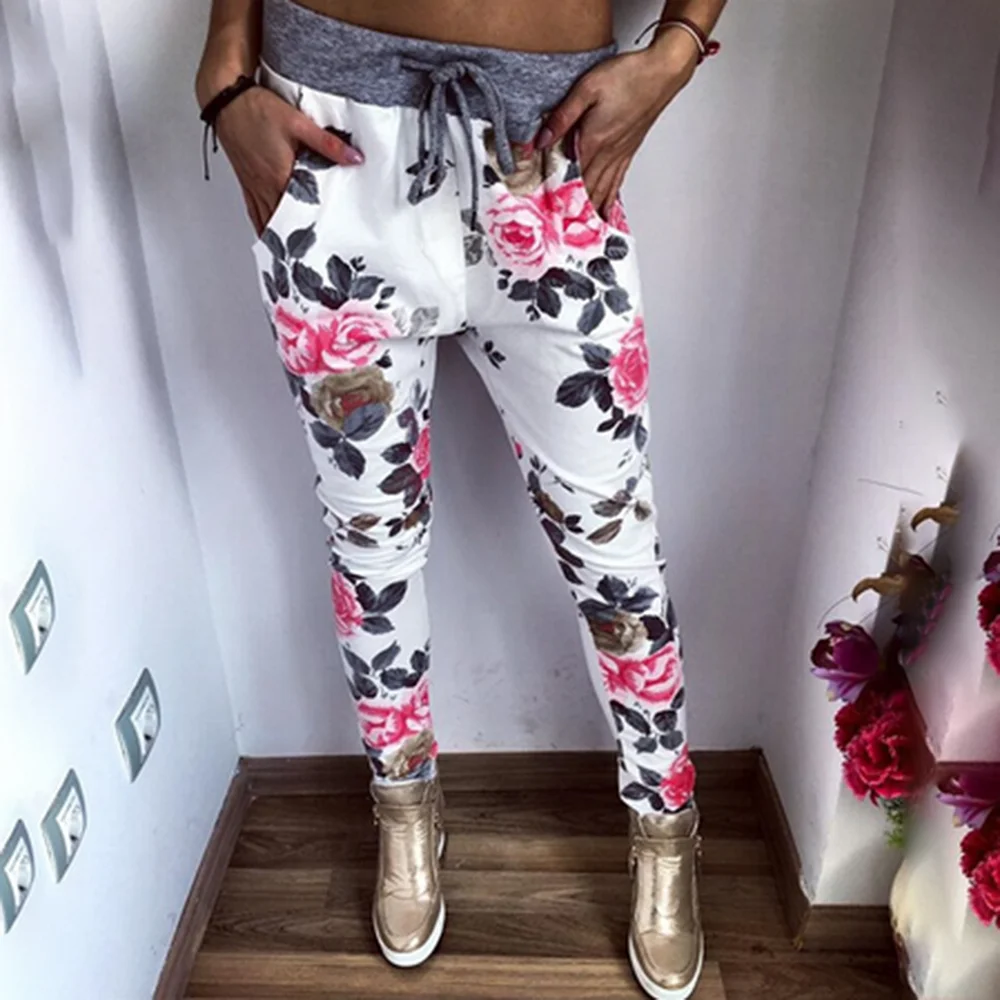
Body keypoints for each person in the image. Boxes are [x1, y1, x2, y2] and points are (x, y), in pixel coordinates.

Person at [196, 1, 725, 996]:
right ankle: (403, 804)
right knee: (371, 541)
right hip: (330, 143)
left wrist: (677, 50)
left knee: (612, 540)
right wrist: (225, 69)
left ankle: (664, 825)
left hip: (549, 139)